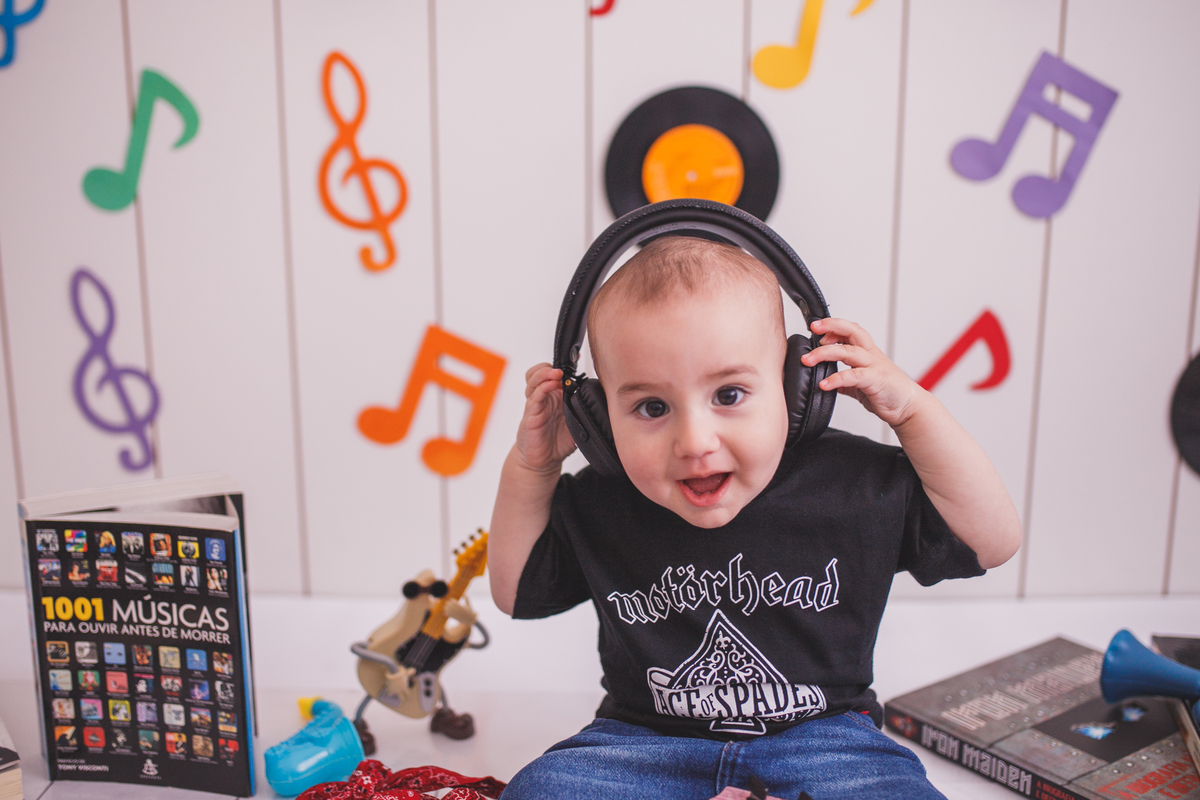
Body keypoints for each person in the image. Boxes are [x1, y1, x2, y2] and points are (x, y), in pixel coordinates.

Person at [489, 236, 1022, 799]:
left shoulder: (856, 483)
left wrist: (912, 410)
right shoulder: (602, 497)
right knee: (541, 791)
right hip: (638, 744)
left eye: (730, 393)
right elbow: (515, 591)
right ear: (597, 416)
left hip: (828, 743)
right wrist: (534, 466)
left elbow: (992, 541)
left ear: (801, 388)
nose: (694, 441)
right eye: (652, 407)